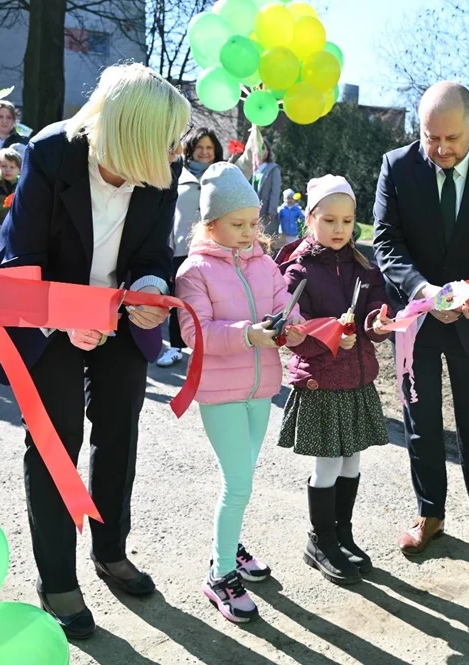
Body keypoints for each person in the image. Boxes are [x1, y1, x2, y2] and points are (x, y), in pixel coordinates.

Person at [0, 63, 191, 640]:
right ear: (135, 135)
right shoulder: (51, 153)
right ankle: (57, 579)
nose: (178, 152)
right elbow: (20, 257)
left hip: (119, 314)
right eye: (169, 140)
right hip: (45, 313)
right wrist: (66, 316)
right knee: (55, 437)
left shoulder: (163, 168)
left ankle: (110, 550)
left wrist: (151, 289)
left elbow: (153, 251)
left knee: (119, 429)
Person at [373, 81, 469, 562]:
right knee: (420, 422)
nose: (440, 148)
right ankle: (429, 513)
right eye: (430, 137)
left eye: (452, 138)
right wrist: (423, 292)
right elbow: (386, 243)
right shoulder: (396, 167)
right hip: (417, 320)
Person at [175, 162, 306, 624]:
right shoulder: (194, 271)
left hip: (261, 388)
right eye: (239, 224)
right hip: (220, 394)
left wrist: (291, 326)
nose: (250, 233)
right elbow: (195, 333)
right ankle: (220, 574)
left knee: (243, 478)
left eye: (254, 223)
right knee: (238, 484)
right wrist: (249, 334)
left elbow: (282, 307)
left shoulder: (265, 264)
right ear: (211, 223)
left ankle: (228, 547)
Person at [278, 175, 393, 585]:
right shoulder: (298, 271)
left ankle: (343, 534)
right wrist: (329, 339)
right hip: (322, 383)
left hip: (357, 380)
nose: (339, 229)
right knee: (327, 462)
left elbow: (375, 309)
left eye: (347, 221)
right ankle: (320, 540)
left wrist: (376, 324)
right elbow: (293, 332)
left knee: (352, 459)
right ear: (310, 218)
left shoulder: (363, 265)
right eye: (329, 220)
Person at [156, 127, 225, 368]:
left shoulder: (223, 174)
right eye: (199, 147)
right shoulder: (176, 173)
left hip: (214, 249)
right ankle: (176, 347)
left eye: (209, 147)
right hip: (181, 249)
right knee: (179, 299)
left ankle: (211, 347)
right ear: (190, 150)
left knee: (214, 300)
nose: (204, 152)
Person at [252, 139, 281, 237]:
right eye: (258, 148)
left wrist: (272, 211)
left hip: (265, 213)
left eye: (263, 148)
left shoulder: (273, 169)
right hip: (250, 211)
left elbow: (275, 191)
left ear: (268, 151)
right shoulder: (251, 169)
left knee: (264, 239)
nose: (260, 151)